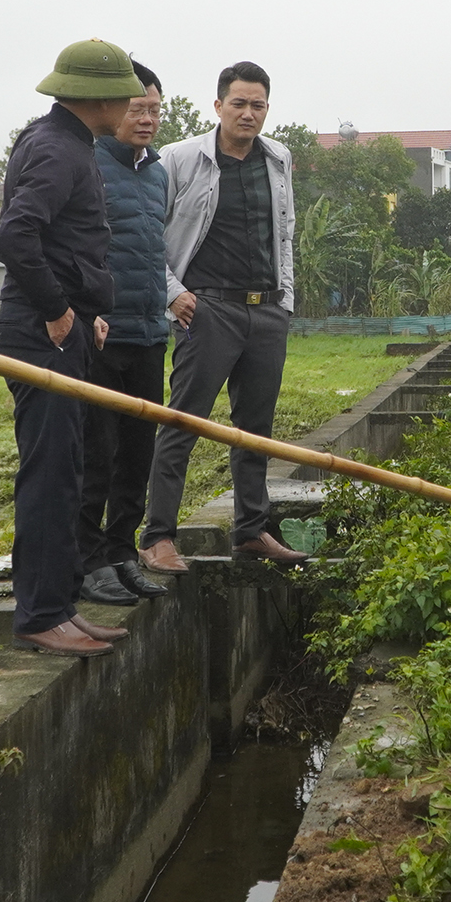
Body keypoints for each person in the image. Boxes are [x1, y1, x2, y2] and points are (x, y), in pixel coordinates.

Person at [0, 39, 139, 658]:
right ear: (99, 97)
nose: (134, 101)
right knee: (51, 476)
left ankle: (57, 606)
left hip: (66, 326)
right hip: (39, 331)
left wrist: (83, 313)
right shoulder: (58, 149)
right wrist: (57, 313)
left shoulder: (63, 142)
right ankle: (40, 615)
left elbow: (61, 245)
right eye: (126, 91)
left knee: (68, 472)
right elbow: (17, 235)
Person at [142, 62, 305, 569]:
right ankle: (158, 536)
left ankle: (250, 530)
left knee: (255, 429)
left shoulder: (278, 158)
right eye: (239, 103)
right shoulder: (179, 159)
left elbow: (285, 233)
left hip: (266, 311)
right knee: (183, 422)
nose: (248, 113)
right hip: (207, 309)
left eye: (258, 105)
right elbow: (150, 234)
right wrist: (172, 293)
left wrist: (286, 299)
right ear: (218, 107)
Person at [75, 58, 173, 607]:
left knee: (138, 455)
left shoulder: (156, 172)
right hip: (101, 334)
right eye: (138, 108)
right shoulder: (88, 163)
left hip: (147, 332)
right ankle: (89, 560)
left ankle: (121, 552)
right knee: (98, 453)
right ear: (112, 108)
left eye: (155, 109)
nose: (147, 119)